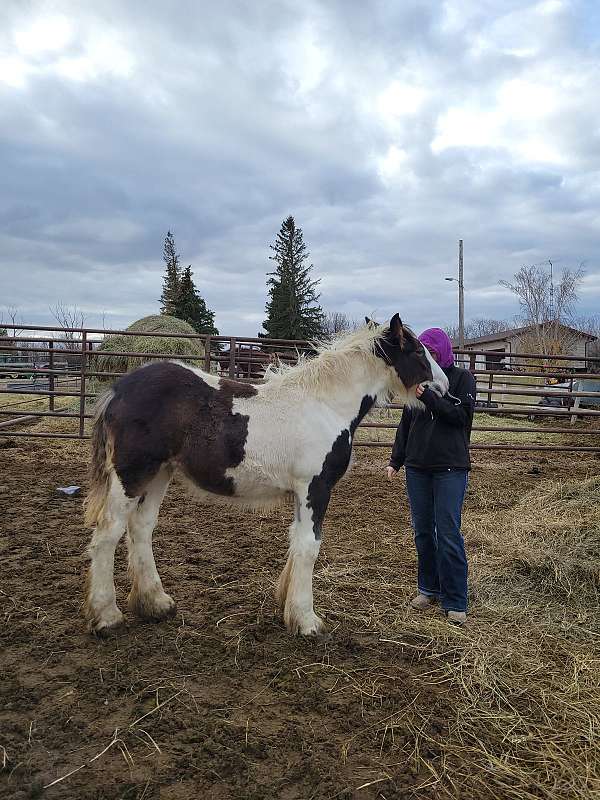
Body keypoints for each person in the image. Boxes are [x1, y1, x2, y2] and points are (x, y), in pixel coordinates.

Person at [386, 328, 476, 625]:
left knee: (448, 533)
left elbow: (461, 418)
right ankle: (428, 588)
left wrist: (432, 399)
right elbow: (406, 423)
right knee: (423, 531)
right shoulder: (419, 381)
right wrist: (396, 460)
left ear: (444, 353)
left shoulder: (462, 380)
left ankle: (456, 599)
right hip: (417, 468)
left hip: (450, 467)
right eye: (426, 353)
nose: (430, 358)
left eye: (434, 353)